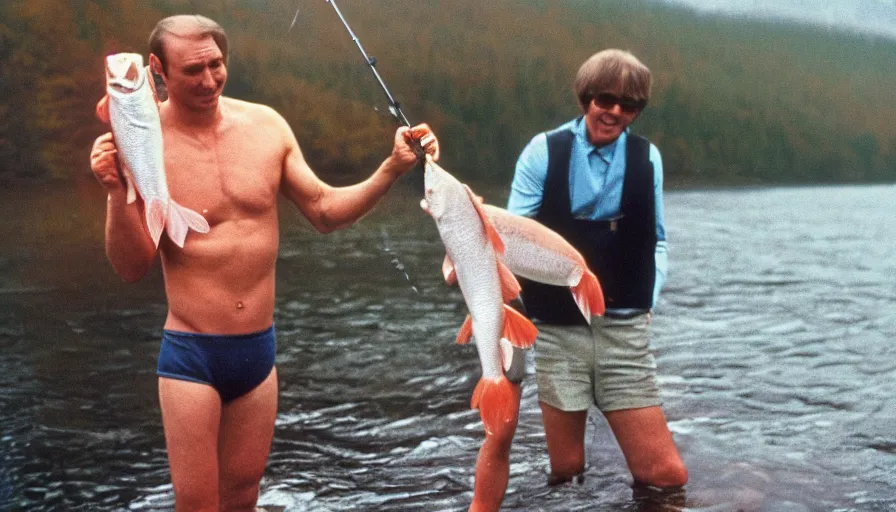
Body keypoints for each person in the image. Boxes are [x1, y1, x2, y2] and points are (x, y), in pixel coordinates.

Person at [88, 15, 439, 512]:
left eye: (216, 64)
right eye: (193, 71)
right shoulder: (141, 137)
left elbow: (322, 211)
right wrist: (113, 191)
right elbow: (132, 266)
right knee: (195, 503)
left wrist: (392, 168)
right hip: (191, 353)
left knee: (243, 498)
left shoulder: (267, 126)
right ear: (157, 70)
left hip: (258, 352)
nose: (209, 80)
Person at [506, 49, 688, 492]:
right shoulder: (543, 151)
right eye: (606, 100)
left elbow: (657, 240)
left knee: (666, 477)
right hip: (557, 328)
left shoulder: (649, 158)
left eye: (629, 106)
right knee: (567, 472)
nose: (615, 112)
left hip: (623, 330)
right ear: (587, 97)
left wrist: (649, 300)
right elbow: (510, 237)